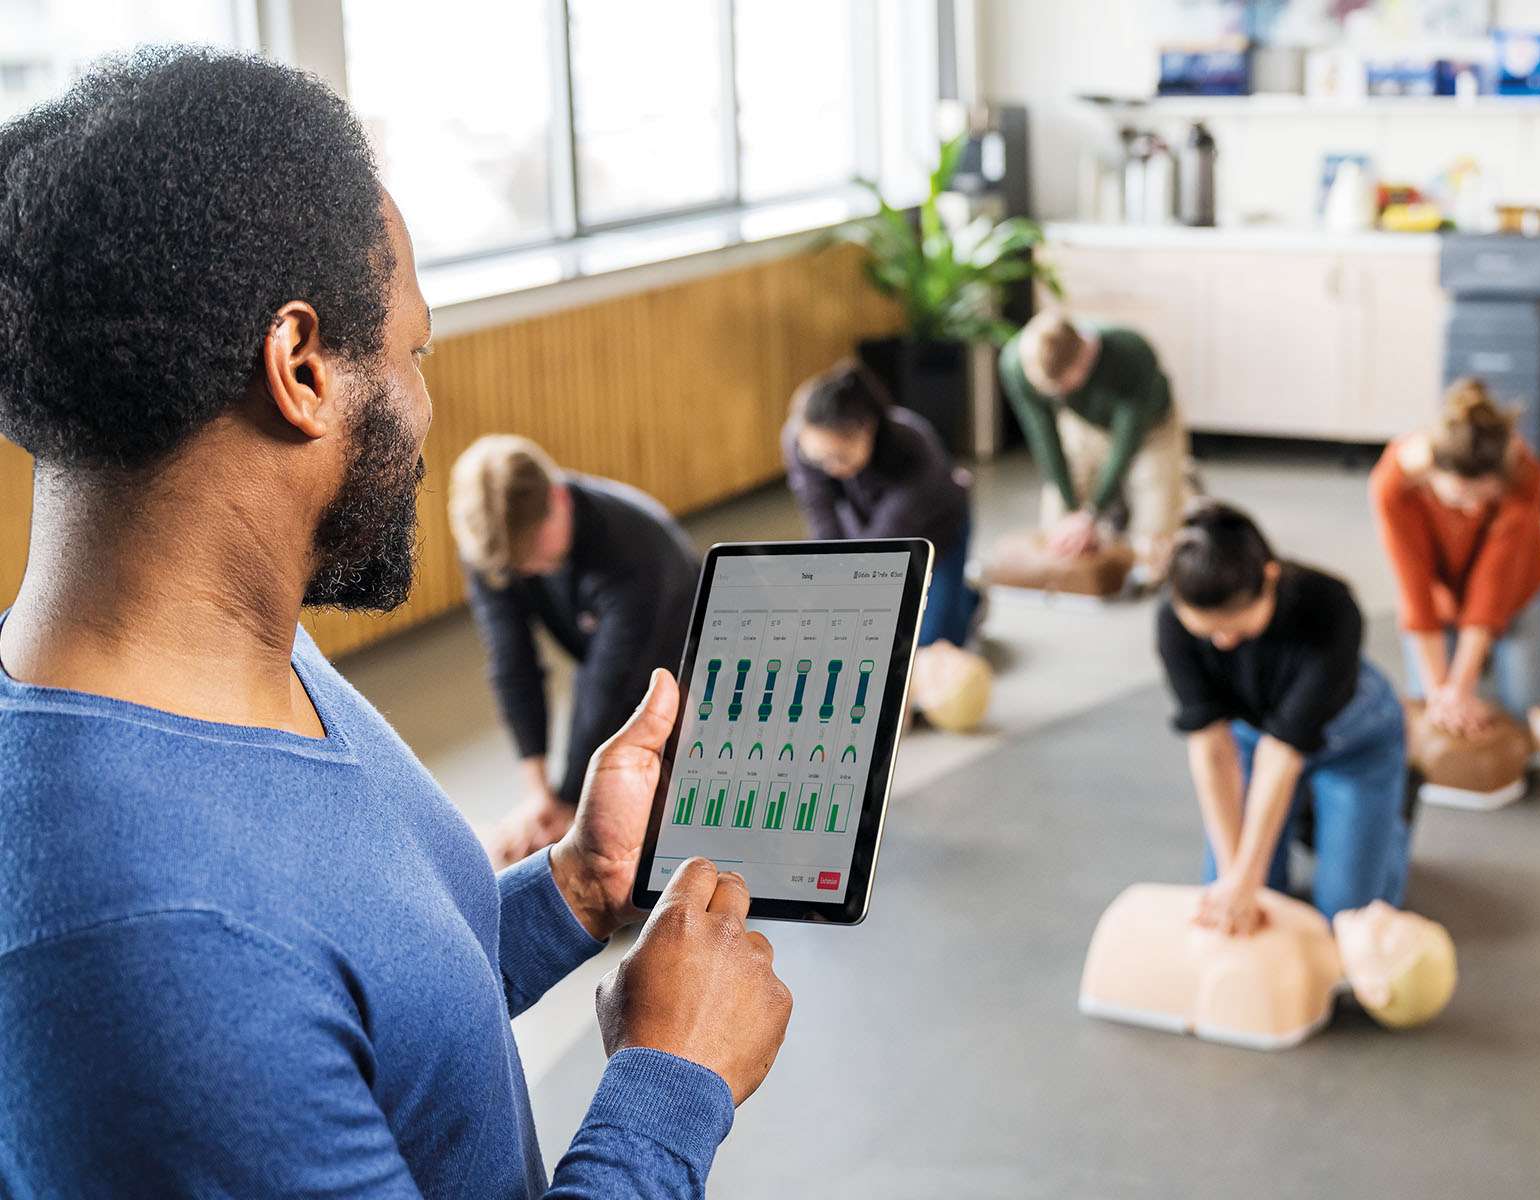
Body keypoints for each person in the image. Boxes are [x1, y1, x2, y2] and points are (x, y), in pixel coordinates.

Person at [0, 49, 788, 1198]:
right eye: (414, 350)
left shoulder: (242, 655)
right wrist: (668, 1085)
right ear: (303, 367)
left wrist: (571, 889)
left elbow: (380, 1019)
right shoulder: (152, 952)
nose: (426, 405)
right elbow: (257, 995)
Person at [1156, 503, 1410, 934]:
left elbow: (1284, 754)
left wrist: (1245, 879)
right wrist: (1235, 877)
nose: (1223, 642)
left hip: (1353, 743)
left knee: (1346, 920)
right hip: (1254, 740)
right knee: (1237, 897)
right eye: (1208, 632)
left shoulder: (1331, 608)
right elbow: (1211, 747)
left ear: (1270, 576)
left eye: (1237, 628)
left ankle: (1388, 826)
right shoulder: (1172, 620)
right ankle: (1306, 820)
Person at [451, 434, 701, 867]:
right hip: (608, 656)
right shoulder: (492, 546)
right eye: (519, 569)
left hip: (689, 658)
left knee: (647, 841)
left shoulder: (632, 550)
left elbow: (608, 683)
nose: (530, 574)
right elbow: (513, 663)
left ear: (558, 499)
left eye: (539, 563)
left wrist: (570, 802)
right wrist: (540, 794)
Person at [1371, 378, 1540, 734]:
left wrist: (1461, 685)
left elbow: (1493, 585)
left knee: (1527, 715)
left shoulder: (1526, 476)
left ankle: (1525, 635)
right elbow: (1415, 590)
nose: (1473, 511)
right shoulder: (1391, 488)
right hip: (1442, 596)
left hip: (1515, 589)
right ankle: (1476, 653)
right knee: (1432, 713)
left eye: (1484, 498)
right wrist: (1444, 694)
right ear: (1429, 475)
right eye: (1458, 499)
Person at [782, 359, 980, 647]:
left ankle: (969, 599)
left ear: (867, 431)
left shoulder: (914, 446)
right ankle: (959, 599)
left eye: (840, 457)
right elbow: (821, 518)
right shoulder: (800, 440)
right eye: (818, 458)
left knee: (929, 644)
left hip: (939, 531)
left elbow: (878, 549)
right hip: (867, 521)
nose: (828, 468)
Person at [999, 310, 1189, 573]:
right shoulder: (1016, 363)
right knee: (1058, 521)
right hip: (1084, 425)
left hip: (1150, 430)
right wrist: (1073, 509)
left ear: (1084, 359)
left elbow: (1126, 441)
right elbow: (1044, 438)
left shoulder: (1131, 351)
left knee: (1154, 538)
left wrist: (1091, 513)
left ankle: (1186, 489)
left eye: (1062, 387)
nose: (1055, 395)